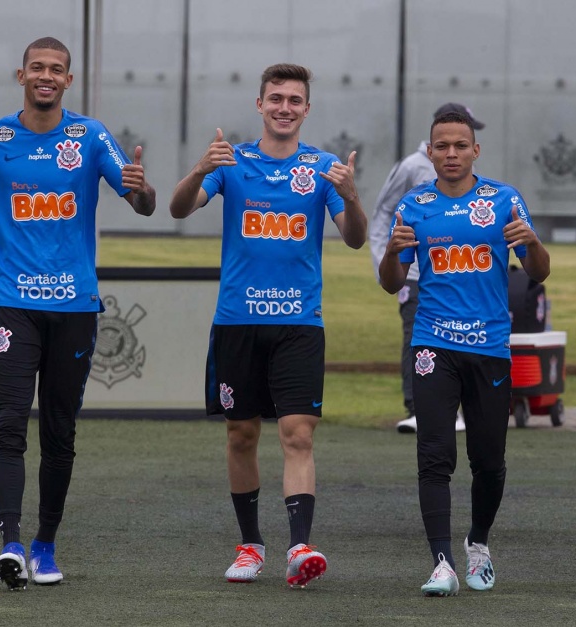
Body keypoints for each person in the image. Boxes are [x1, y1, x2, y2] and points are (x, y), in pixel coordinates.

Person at [0, 36, 156, 590]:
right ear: (21, 75)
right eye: (37, 67)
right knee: (8, 424)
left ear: (69, 79)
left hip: (75, 309)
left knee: (61, 432)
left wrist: (141, 188)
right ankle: (11, 545)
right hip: (12, 307)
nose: (47, 75)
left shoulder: (90, 136)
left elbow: (141, 201)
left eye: (57, 69)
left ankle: (46, 544)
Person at [168, 63, 367, 588]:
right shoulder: (230, 162)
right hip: (237, 322)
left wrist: (350, 195)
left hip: (299, 324)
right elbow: (179, 208)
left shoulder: (323, 168)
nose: (284, 107)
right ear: (260, 105)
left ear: (307, 108)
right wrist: (197, 169)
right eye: (275, 98)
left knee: (298, 434)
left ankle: (300, 545)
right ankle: (251, 544)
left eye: (294, 100)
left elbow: (353, 238)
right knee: (241, 434)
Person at [379, 111, 550, 596]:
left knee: (489, 460)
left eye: (460, 145)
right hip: (433, 344)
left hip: (490, 349)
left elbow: (540, 270)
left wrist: (533, 243)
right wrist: (393, 252)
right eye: (441, 146)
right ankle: (441, 561)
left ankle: (479, 545)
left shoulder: (504, 199)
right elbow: (392, 281)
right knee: (434, 455)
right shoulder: (415, 205)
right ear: (429, 153)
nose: (450, 153)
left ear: (476, 150)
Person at [370, 103, 485, 434]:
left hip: (456, 271)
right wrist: (384, 262)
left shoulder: (463, 165)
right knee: (415, 337)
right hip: (415, 273)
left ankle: (457, 409)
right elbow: (383, 212)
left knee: (461, 336)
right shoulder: (412, 166)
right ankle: (416, 408)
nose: (455, 149)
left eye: (464, 138)